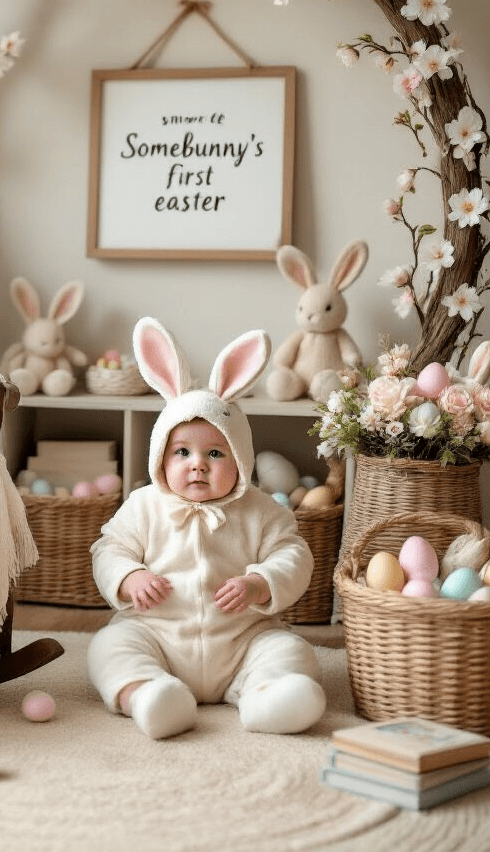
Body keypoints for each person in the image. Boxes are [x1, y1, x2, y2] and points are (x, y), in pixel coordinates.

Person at [87, 317, 326, 740]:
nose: (198, 463)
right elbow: (109, 549)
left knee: (291, 651)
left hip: (241, 641)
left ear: (241, 459)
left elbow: (294, 555)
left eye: (215, 452)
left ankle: (265, 698)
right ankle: (147, 695)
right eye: (182, 452)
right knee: (108, 648)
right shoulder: (144, 505)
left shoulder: (261, 509)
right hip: (158, 637)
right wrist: (130, 577)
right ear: (161, 457)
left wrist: (261, 582)